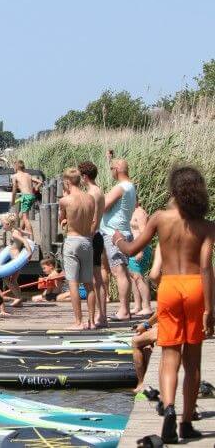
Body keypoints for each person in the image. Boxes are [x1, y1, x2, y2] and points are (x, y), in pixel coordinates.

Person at [113, 166, 214, 442]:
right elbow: (206, 268)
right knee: (192, 361)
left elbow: (133, 251)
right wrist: (210, 309)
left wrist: (119, 239)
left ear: (174, 191)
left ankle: (168, 409)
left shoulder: (160, 218)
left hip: (169, 287)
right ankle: (187, 421)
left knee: (170, 356)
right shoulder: (207, 226)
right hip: (195, 287)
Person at [58, 167, 97, 329]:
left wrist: (64, 221)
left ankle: (79, 322)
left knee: (73, 283)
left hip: (72, 240)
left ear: (67, 182)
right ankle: (92, 322)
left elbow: (62, 220)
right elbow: (92, 220)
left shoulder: (65, 201)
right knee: (89, 283)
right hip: (87, 241)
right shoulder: (90, 199)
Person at [100, 158, 136, 321]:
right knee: (121, 272)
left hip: (114, 233)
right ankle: (125, 309)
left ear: (116, 169)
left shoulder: (120, 187)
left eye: (111, 169)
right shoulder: (131, 186)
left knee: (119, 272)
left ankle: (124, 311)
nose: (111, 172)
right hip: (122, 231)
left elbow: (104, 205)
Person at [78, 161, 109, 327]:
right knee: (97, 279)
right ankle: (101, 316)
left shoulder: (92, 193)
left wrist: (85, 236)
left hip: (93, 236)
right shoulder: (98, 190)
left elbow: (95, 219)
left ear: (84, 176)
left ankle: (101, 316)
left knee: (94, 279)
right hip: (97, 236)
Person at [132, 245, 163, 393]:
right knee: (146, 347)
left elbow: (161, 312)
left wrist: (145, 324)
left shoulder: (167, 282)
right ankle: (146, 380)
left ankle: (141, 383)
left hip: (170, 327)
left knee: (136, 342)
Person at [128, 202, 153, 316]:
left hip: (141, 248)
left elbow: (144, 233)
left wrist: (140, 250)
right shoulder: (132, 212)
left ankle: (147, 307)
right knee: (133, 277)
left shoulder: (140, 213)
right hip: (135, 247)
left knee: (139, 277)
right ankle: (137, 306)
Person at [11, 160, 39, 235]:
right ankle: (20, 234)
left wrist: (13, 200)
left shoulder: (15, 176)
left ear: (16, 167)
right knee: (21, 215)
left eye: (13, 167)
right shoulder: (28, 175)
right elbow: (40, 182)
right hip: (31, 196)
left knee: (25, 218)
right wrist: (36, 187)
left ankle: (31, 237)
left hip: (26, 197)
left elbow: (14, 190)